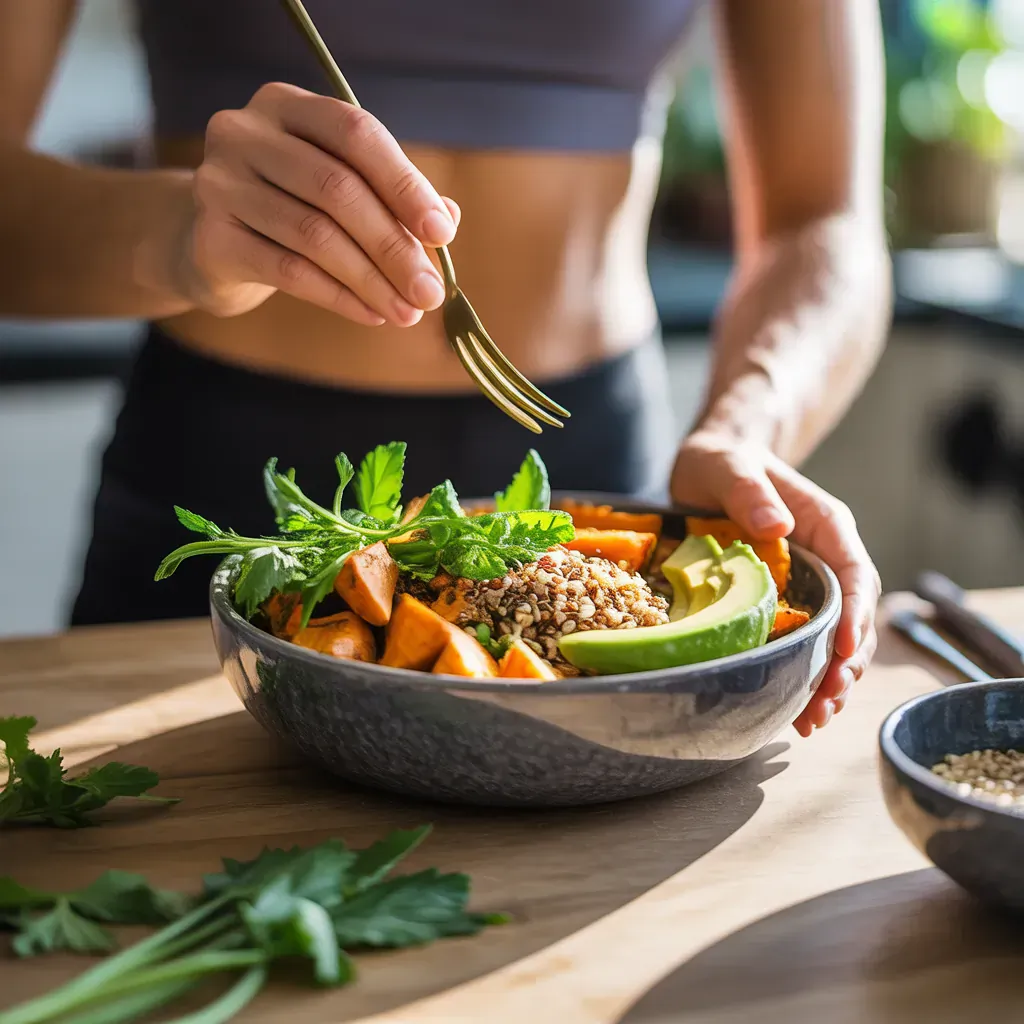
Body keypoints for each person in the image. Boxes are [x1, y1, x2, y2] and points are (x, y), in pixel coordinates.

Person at [0, 0, 889, 735]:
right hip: (228, 485)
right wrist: (185, 239)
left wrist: (748, 423)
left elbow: (827, 225)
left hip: (586, 502)